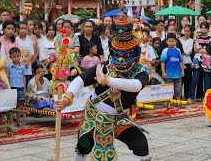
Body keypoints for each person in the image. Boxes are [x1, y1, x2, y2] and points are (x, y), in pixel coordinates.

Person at [55, 11, 151, 161]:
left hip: (119, 120)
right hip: (94, 116)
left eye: (125, 55)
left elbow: (135, 86)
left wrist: (107, 81)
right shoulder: (104, 66)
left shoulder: (141, 72)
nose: (120, 59)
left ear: (135, 54)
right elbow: (81, 79)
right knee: (83, 147)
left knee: (141, 146)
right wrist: (68, 98)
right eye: (117, 54)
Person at [161, 33, 184, 107]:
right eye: (169, 41)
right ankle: (168, 102)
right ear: (167, 42)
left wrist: (182, 70)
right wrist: (163, 72)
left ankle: (178, 102)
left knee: (178, 89)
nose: (171, 42)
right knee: (168, 89)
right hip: (169, 74)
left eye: (173, 41)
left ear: (176, 41)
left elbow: (180, 61)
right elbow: (162, 62)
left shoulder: (178, 50)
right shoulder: (165, 51)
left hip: (177, 74)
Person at [7, 47, 26, 126]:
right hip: (12, 87)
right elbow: (8, 77)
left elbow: (24, 78)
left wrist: (24, 88)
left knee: (19, 104)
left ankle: (18, 120)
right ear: (10, 57)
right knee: (12, 104)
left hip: (20, 87)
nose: (16, 58)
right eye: (14, 56)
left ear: (20, 56)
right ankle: (11, 120)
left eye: (18, 56)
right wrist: (8, 87)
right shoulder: (9, 66)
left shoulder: (22, 67)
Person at [16, 21, 35, 86]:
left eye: (25, 28)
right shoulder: (16, 40)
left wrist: (27, 63)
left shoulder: (29, 40)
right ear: (18, 29)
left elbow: (31, 54)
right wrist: (21, 63)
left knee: (27, 84)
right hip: (18, 66)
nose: (23, 30)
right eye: (21, 28)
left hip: (27, 67)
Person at [179, 25, 193, 99]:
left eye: (188, 31)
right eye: (185, 31)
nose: (187, 33)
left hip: (187, 61)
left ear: (191, 32)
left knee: (187, 80)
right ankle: (179, 96)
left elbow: (189, 51)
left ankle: (187, 96)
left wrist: (182, 52)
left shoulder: (192, 40)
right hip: (178, 62)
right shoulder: (179, 39)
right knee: (179, 80)